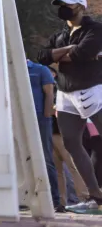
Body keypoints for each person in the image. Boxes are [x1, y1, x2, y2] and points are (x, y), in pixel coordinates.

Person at [38, 0, 102, 212]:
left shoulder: (95, 29)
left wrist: (59, 56)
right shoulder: (61, 34)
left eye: (68, 5)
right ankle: (95, 196)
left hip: (94, 90)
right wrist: (66, 50)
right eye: (61, 5)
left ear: (81, 8)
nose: (63, 8)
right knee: (71, 143)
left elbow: (83, 53)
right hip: (66, 94)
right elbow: (42, 56)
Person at [26, 59, 63, 212]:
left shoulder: (40, 69)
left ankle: (54, 200)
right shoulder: (7, 69)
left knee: (46, 158)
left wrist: (46, 116)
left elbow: (49, 93)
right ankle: (26, 197)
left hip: (40, 118)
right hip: (18, 119)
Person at [48, 66, 89, 207]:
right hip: (50, 132)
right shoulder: (51, 88)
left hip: (63, 133)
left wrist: (54, 108)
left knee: (73, 165)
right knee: (57, 169)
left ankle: (85, 197)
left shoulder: (64, 89)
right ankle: (61, 202)